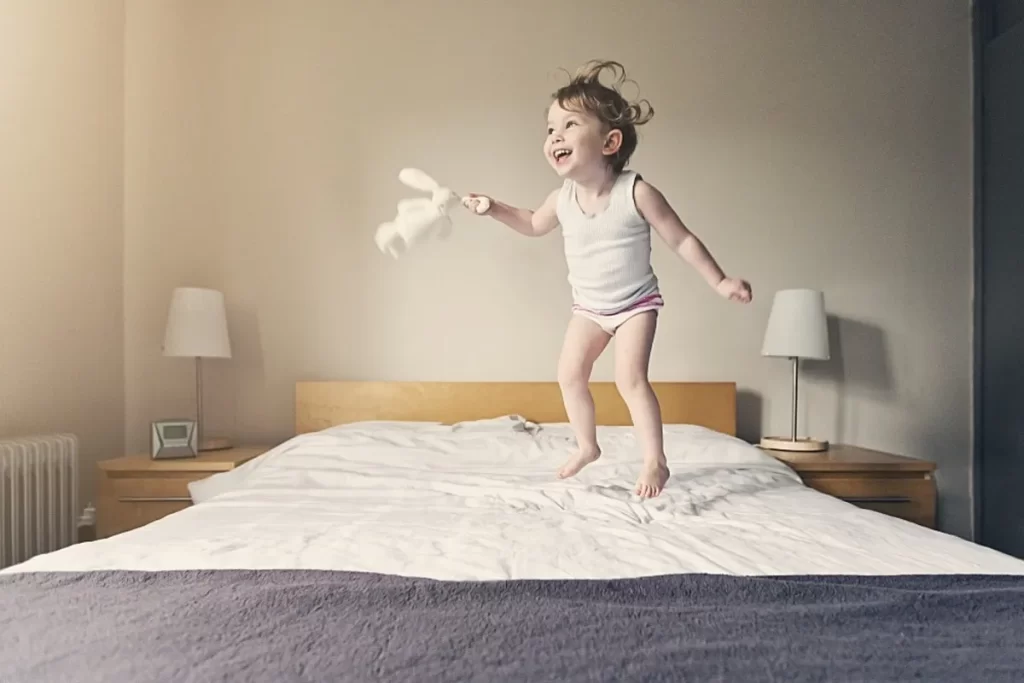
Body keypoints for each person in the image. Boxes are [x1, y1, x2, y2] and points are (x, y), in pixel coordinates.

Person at [464, 60, 752, 499]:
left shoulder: (636, 192)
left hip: (636, 304)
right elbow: (530, 223)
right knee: (569, 374)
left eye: (569, 125)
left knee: (629, 380)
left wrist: (720, 282)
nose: (554, 136)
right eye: (549, 129)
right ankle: (587, 445)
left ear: (609, 141)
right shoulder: (561, 200)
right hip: (590, 309)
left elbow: (682, 240)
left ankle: (655, 460)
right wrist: (494, 207)